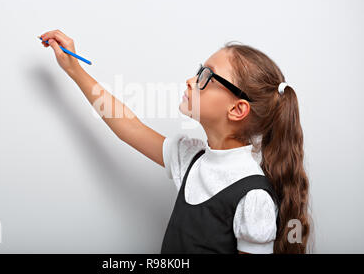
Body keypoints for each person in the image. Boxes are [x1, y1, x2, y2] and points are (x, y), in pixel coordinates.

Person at [39, 29, 311, 254]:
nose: (191, 80)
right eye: (199, 70)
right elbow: (128, 127)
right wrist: (74, 69)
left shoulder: (253, 197)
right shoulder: (190, 158)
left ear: (237, 110)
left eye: (207, 76)